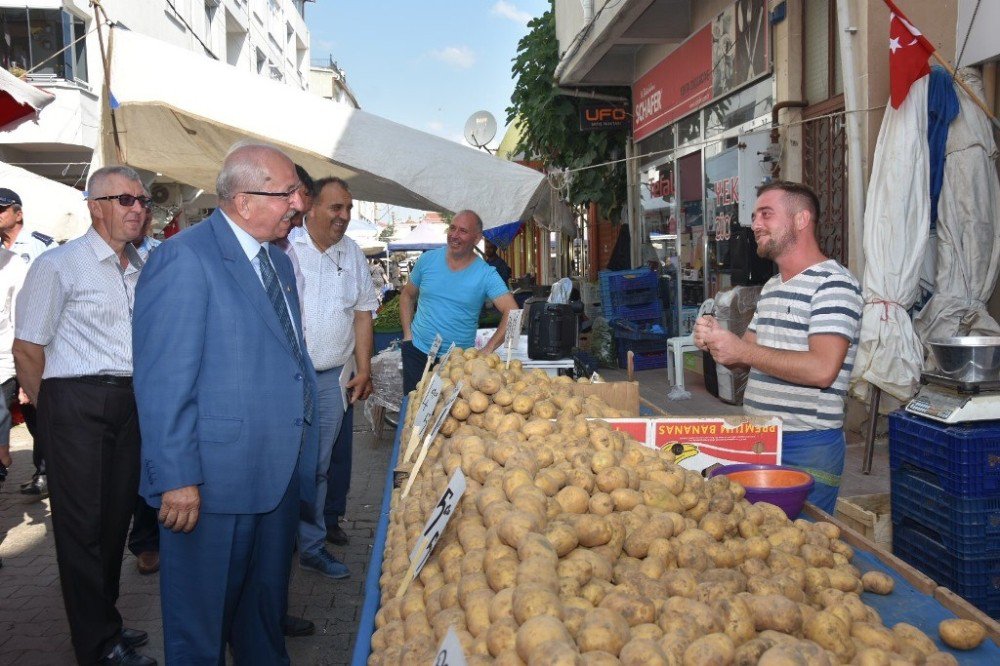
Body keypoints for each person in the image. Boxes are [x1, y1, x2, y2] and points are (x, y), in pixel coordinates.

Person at [132, 142, 318, 664]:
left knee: (262, 622)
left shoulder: (278, 265)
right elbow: (162, 380)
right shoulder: (183, 259)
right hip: (210, 487)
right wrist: (176, 476)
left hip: (275, 478)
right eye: (286, 193)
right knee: (201, 632)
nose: (297, 204)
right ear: (243, 200)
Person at [13, 167, 155, 665]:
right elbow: (27, 347)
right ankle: (97, 646)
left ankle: (106, 623)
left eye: (143, 199)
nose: (137, 208)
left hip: (131, 403)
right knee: (82, 530)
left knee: (115, 522)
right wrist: (52, 415)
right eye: (124, 199)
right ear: (95, 205)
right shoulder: (59, 265)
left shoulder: (142, 265)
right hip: (76, 402)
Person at [693, 181, 862, 513]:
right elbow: (744, 361)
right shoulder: (772, 287)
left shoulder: (834, 284)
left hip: (807, 445)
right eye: (755, 216)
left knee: (801, 548)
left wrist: (742, 351)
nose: (755, 224)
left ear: (801, 220)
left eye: (766, 214)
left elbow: (822, 370)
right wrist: (716, 341)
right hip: (760, 441)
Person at [291, 176, 378, 565]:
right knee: (289, 465)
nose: (344, 216)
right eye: (336, 208)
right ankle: (286, 539)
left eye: (348, 208)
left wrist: (364, 369)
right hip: (288, 379)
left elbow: (363, 313)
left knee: (319, 466)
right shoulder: (286, 250)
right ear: (310, 208)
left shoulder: (353, 254)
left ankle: (310, 546)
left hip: (330, 379)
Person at [399, 210, 518, 394]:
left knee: (452, 419)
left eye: (463, 231)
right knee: (413, 416)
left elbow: (514, 313)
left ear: (477, 238)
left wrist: (488, 349)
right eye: (452, 228)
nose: (454, 235)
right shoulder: (427, 260)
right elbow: (407, 295)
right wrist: (408, 335)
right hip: (418, 351)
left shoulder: (486, 273)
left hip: (458, 363)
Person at [0, 188, 55, 498]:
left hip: (33, 344)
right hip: (8, 350)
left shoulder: (38, 247)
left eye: (1, 209)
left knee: (37, 413)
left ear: (17, 213)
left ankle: (47, 470)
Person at [127, 204, 162, 576]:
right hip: (119, 377)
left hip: (158, 369)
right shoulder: (94, 259)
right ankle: (145, 540)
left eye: (143, 205)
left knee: (158, 454)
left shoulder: (164, 254)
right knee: (140, 464)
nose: (137, 212)